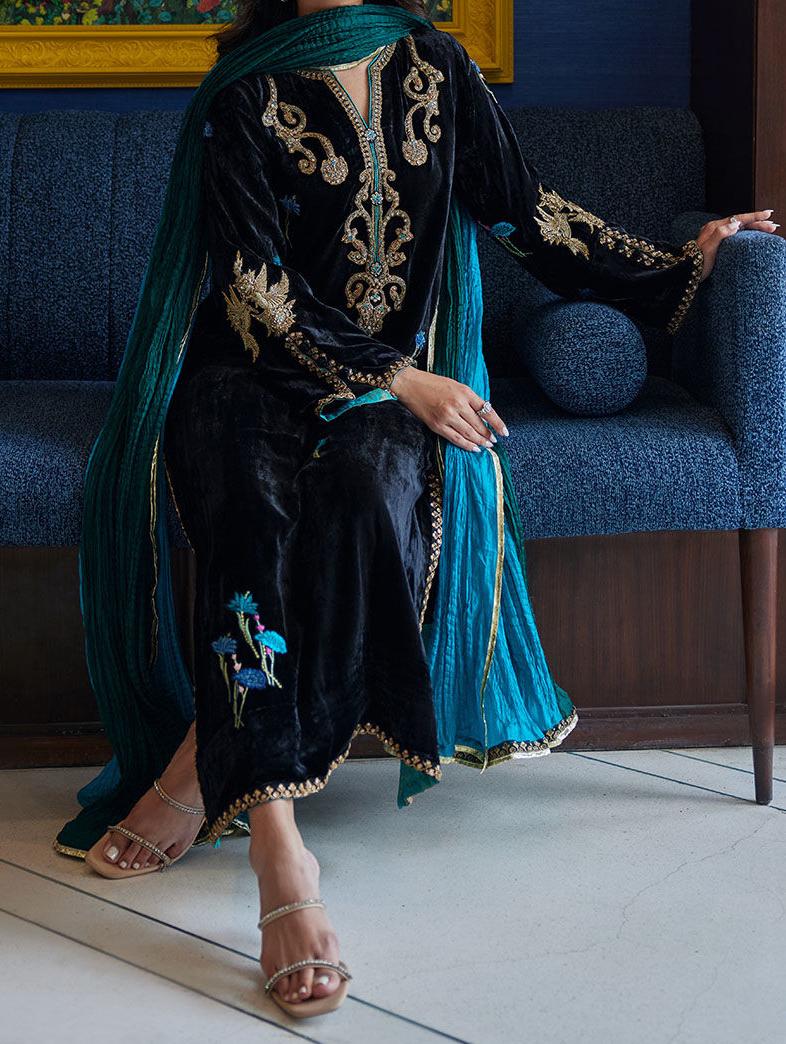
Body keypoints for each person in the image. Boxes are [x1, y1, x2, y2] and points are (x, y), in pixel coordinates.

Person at [53, 0, 779, 1019]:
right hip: (246, 381)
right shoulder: (244, 93)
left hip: (382, 397)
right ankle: (279, 857)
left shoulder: (439, 68)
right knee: (252, 516)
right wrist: (402, 376)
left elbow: (530, 215)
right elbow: (255, 288)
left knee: (364, 487)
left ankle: (200, 760)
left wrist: (683, 265)